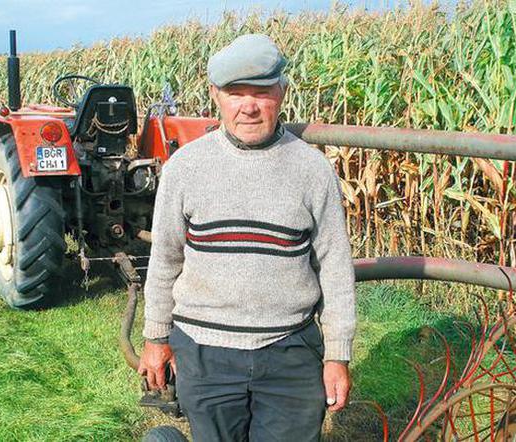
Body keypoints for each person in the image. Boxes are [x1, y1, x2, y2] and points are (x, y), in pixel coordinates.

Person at [138, 33, 357, 442]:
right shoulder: (186, 168)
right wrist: (155, 338)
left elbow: (335, 269)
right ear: (215, 95)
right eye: (235, 93)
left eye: (262, 92)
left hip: (289, 349)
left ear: (282, 92)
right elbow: (165, 260)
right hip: (204, 351)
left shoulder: (312, 170)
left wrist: (337, 355)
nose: (249, 106)